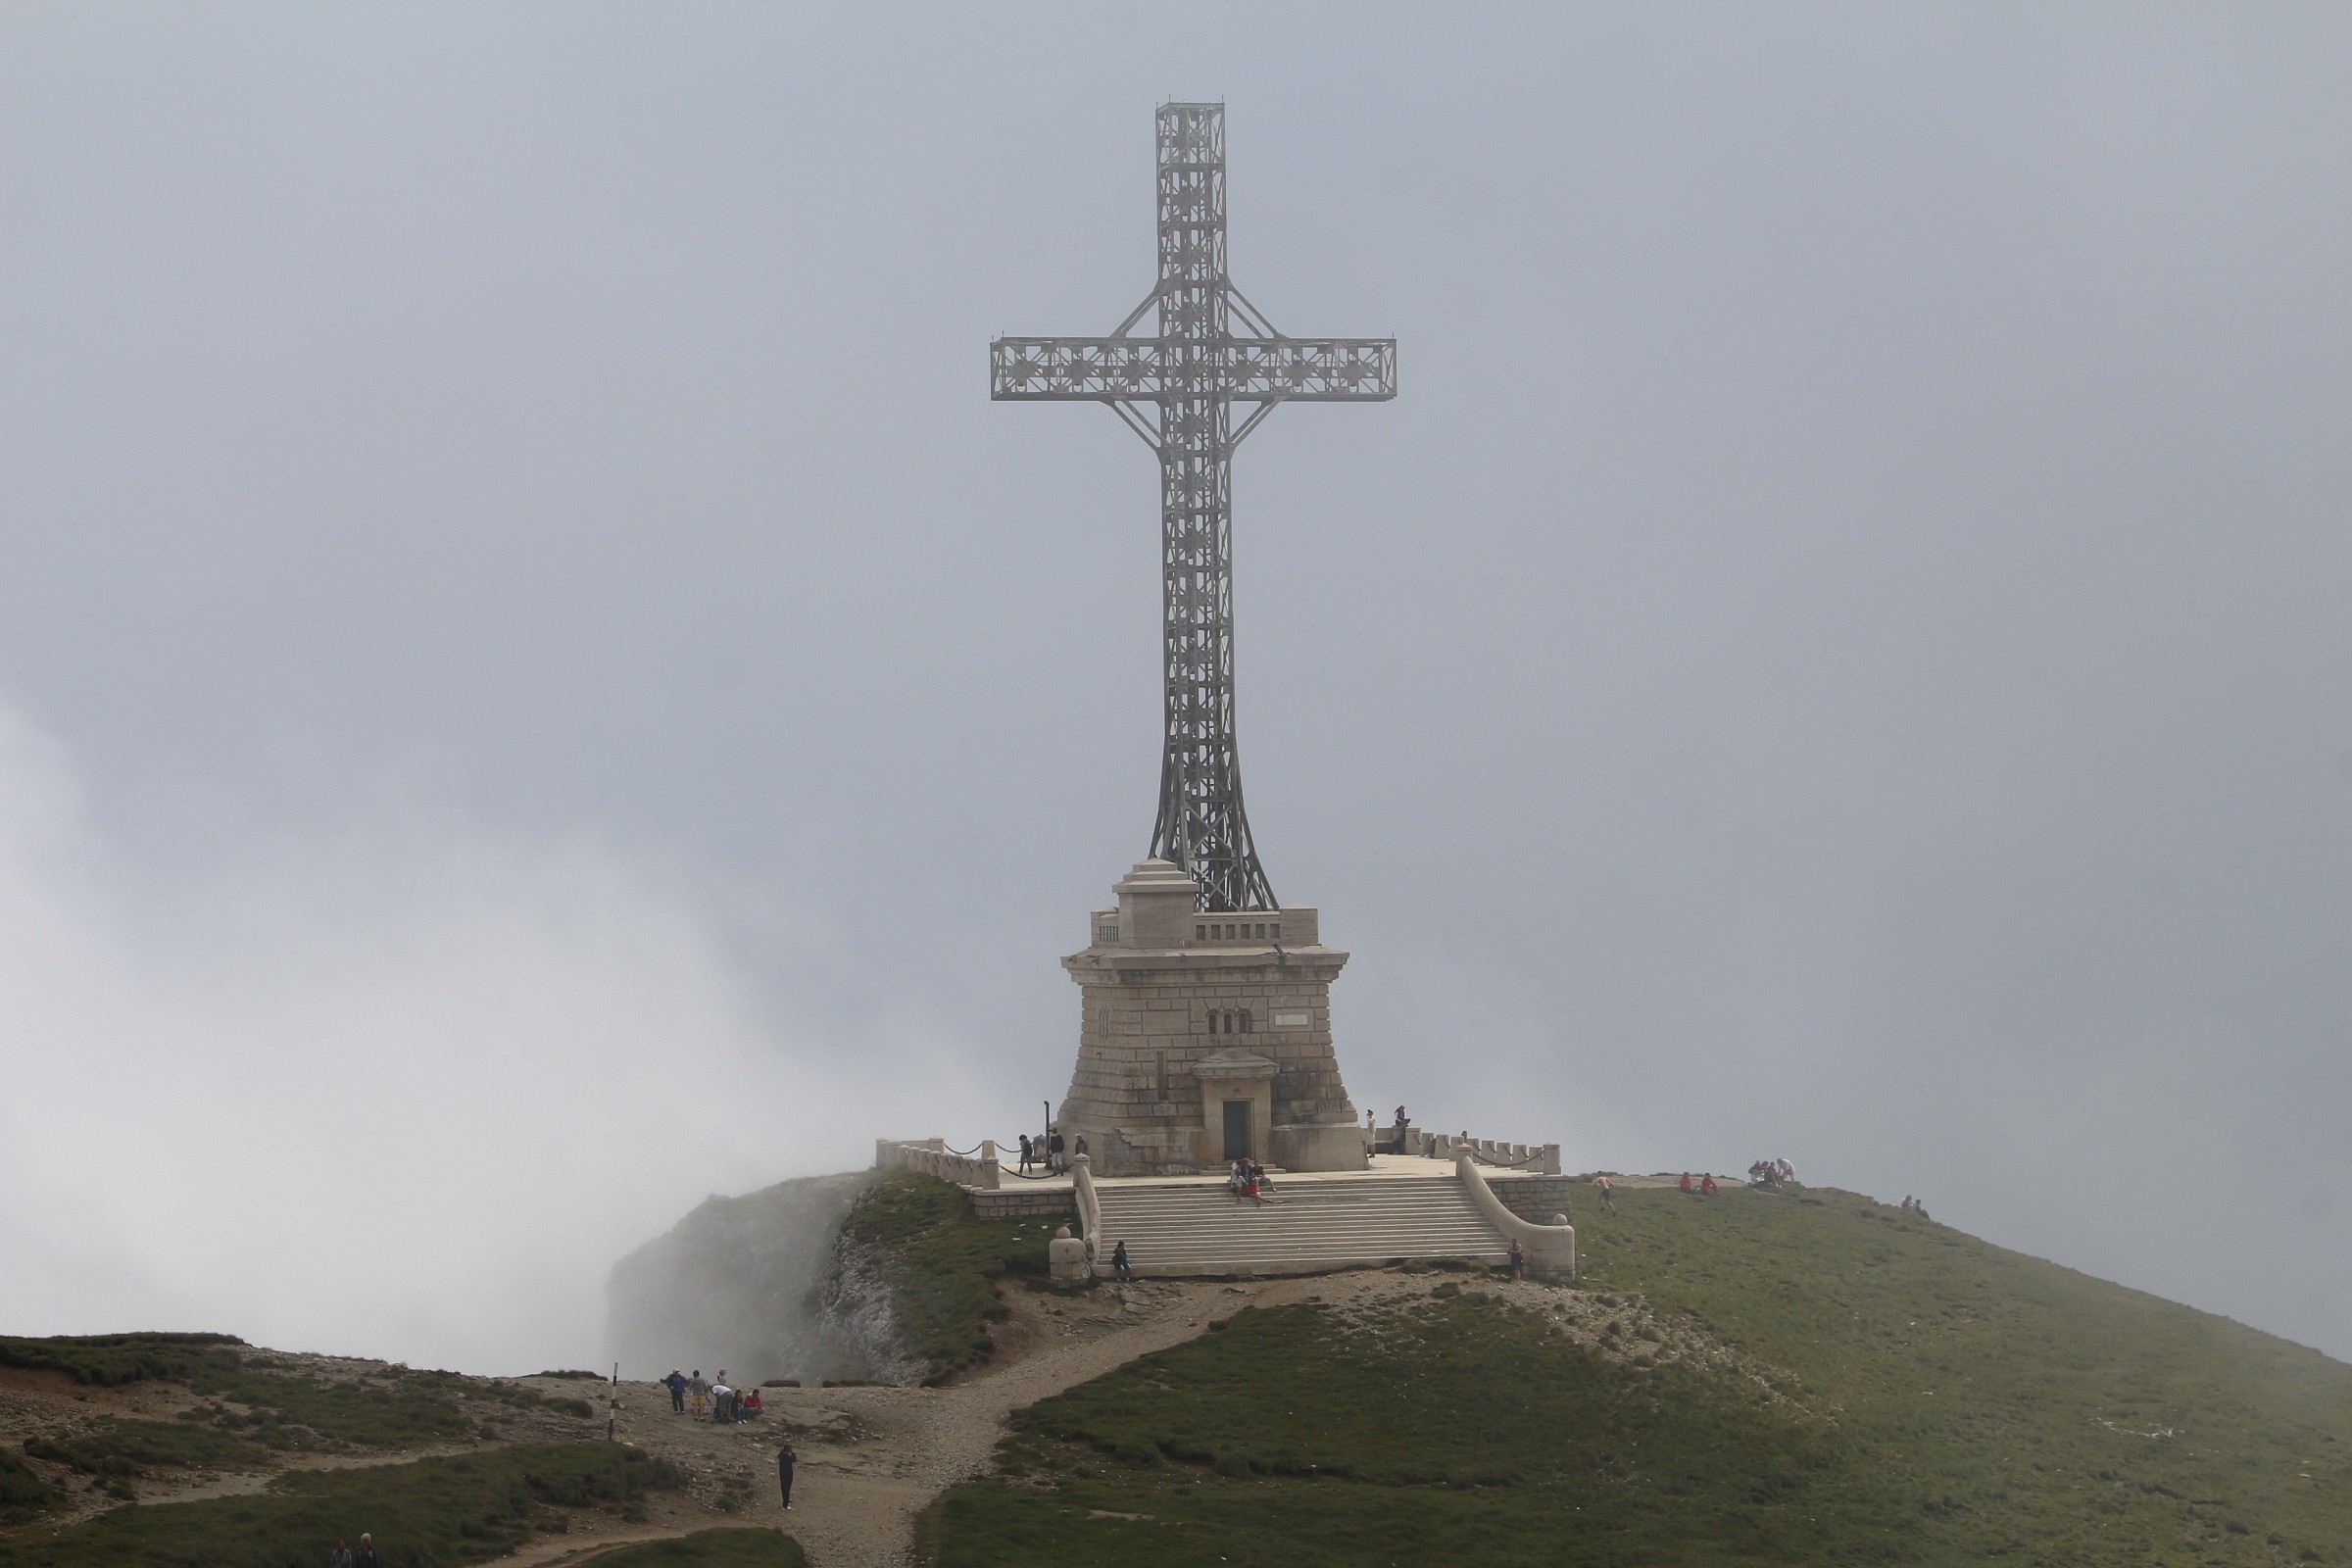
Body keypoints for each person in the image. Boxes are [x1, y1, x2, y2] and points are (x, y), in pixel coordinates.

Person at [777, 1441, 797, 1510]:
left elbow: (779, 1455)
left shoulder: (781, 1455)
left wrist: (785, 1451)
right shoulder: (789, 1457)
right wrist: (792, 1453)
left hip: (782, 1473)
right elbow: (795, 1459)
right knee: (787, 1489)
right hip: (788, 1474)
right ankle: (785, 1505)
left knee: (783, 1488)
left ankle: (784, 1502)